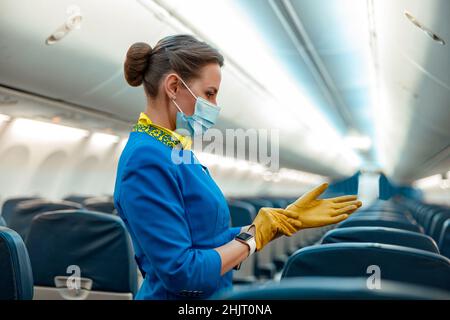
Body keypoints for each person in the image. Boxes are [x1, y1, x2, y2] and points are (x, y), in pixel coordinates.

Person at [113, 34, 362, 300]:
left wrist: (277, 223)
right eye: (209, 93)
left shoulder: (174, 150)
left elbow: (207, 242)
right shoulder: (146, 160)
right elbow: (181, 272)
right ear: (173, 86)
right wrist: (253, 239)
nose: (215, 106)